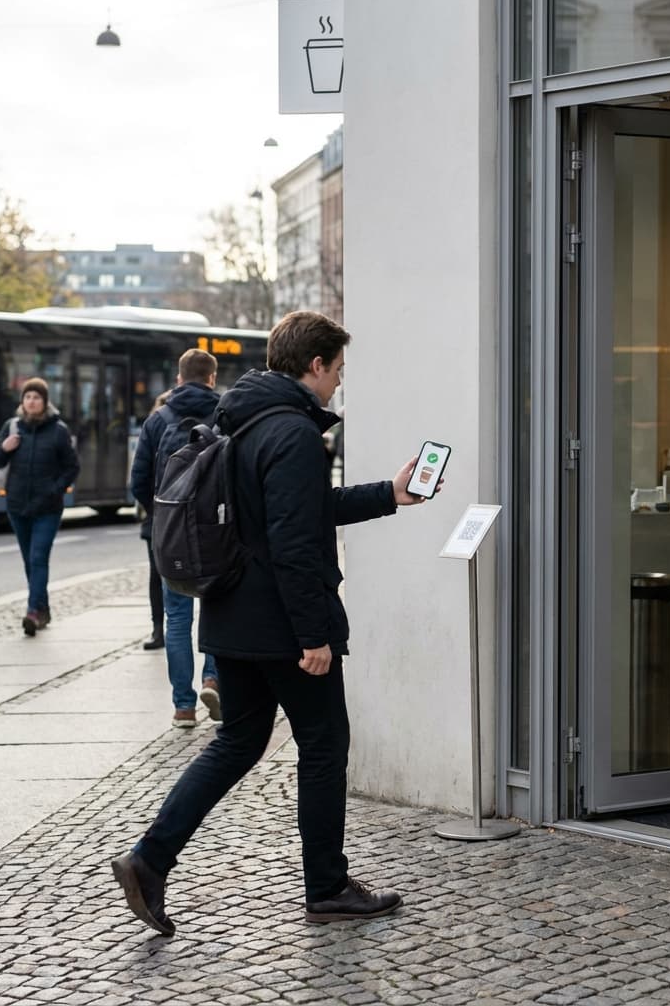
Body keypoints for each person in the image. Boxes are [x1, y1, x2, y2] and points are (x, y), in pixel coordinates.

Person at [112, 310, 438, 935]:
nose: (340, 382)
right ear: (314, 365)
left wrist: (386, 494)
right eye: (338, 370)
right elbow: (293, 543)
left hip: (232, 612)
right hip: (281, 624)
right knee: (323, 743)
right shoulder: (291, 433)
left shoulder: (239, 419)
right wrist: (312, 635)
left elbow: (300, 512)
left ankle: (150, 860)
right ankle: (328, 885)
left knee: (238, 740)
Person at [130, 351, 220, 727]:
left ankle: (183, 707)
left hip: (169, 534)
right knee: (217, 610)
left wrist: (159, 517)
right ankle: (214, 678)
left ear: (179, 379)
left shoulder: (157, 420)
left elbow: (138, 481)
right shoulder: (226, 414)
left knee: (177, 618)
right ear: (212, 379)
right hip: (217, 532)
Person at [0, 378, 79, 637]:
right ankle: (43, 608)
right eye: (27, 397)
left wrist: (55, 489)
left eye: (36, 397)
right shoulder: (12, 427)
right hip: (18, 505)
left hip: (48, 507)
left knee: (39, 558)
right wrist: (5, 448)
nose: (31, 401)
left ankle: (31, 611)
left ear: (45, 401)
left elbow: (72, 467)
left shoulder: (58, 430)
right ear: (22, 402)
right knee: (30, 561)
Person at [138, 390, 171, 652]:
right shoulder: (213, 414)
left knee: (157, 576)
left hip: (159, 517)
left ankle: (158, 629)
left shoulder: (153, 424)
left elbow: (138, 476)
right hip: (203, 518)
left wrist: (152, 507)